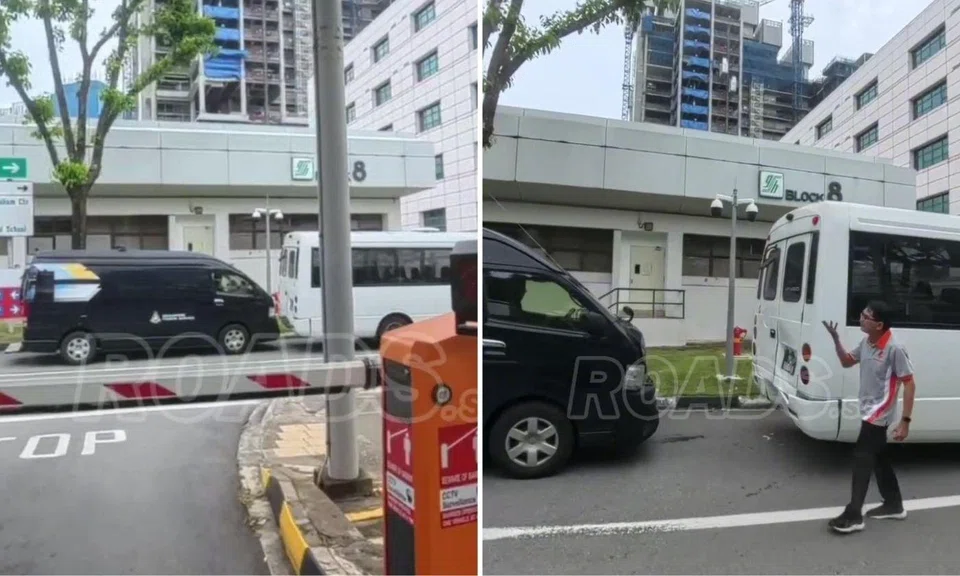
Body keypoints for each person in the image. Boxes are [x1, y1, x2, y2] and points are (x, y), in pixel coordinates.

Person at [822, 300, 916, 534]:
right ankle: (894, 504)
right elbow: (846, 362)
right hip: (867, 409)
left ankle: (854, 514)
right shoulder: (867, 342)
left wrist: (905, 422)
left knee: (862, 457)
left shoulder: (894, 348)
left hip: (879, 413)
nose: (861, 318)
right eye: (862, 314)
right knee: (879, 457)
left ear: (879, 324)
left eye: (866, 316)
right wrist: (835, 339)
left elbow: (909, 383)